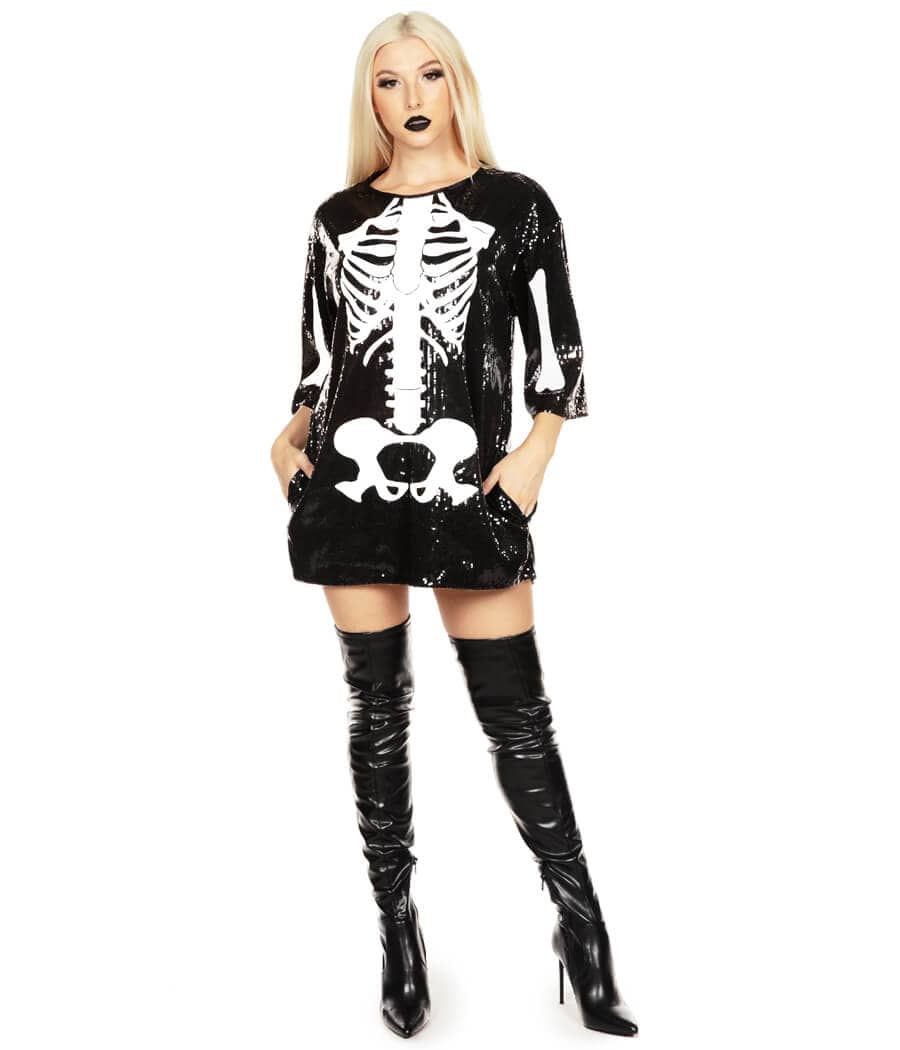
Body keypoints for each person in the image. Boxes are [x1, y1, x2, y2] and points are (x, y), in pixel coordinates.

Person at [270, 12, 639, 1040]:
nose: (411, 96)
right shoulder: (336, 218)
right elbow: (317, 364)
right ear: (371, 99)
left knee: (516, 716)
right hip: (348, 486)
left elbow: (560, 359)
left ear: (456, 83)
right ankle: (399, 934)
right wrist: (283, 441)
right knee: (376, 713)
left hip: (470, 488)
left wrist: (531, 461)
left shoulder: (516, 206)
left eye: (429, 74)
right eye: (389, 81)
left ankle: (582, 933)